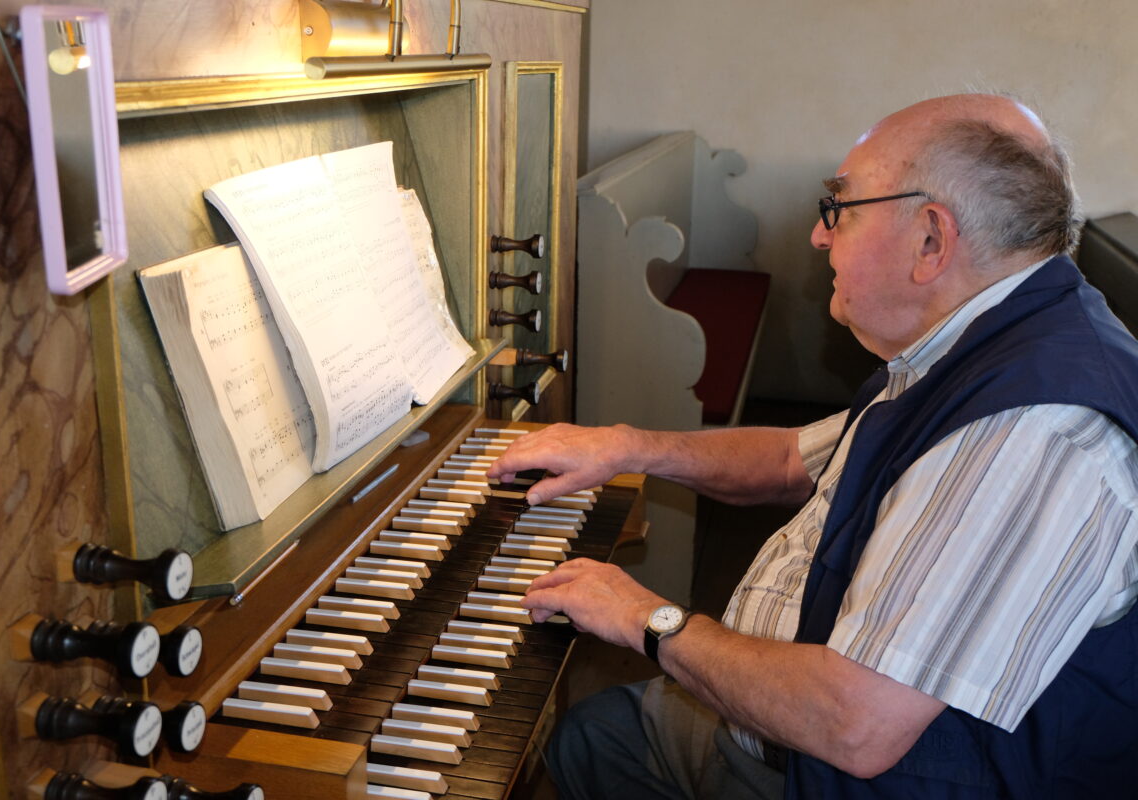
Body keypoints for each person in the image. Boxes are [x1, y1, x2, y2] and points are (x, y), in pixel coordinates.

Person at [485, 93, 1138, 799]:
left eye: (841, 209)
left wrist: (647, 618)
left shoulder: (1030, 435)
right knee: (594, 733)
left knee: (586, 737)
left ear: (930, 241)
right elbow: (796, 459)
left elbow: (853, 725)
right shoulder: (984, 342)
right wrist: (627, 447)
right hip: (800, 731)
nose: (819, 237)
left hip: (836, 770)